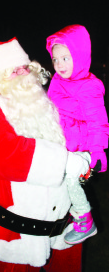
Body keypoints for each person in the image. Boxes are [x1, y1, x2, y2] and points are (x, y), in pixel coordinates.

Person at [0, 37, 91, 272]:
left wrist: (84, 157)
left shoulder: (44, 101)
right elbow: (5, 155)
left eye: (25, 67)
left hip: (64, 227)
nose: (23, 74)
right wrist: (66, 163)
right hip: (14, 235)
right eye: (13, 71)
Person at [46, 24, 109, 245]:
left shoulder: (89, 86)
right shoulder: (57, 81)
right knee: (57, 181)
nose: (60, 65)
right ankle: (70, 214)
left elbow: (97, 121)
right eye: (55, 59)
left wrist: (97, 150)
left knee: (71, 179)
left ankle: (85, 218)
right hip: (61, 143)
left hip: (82, 147)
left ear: (79, 56)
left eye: (66, 58)